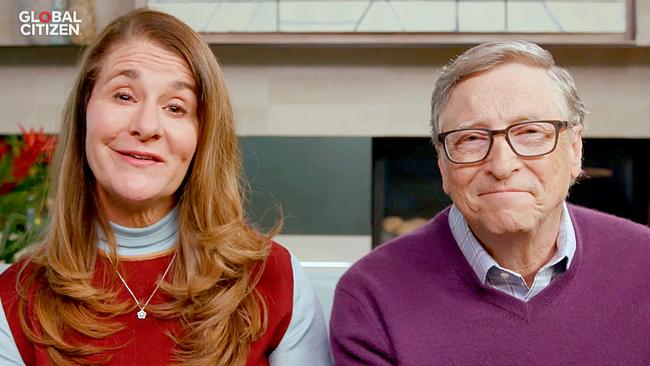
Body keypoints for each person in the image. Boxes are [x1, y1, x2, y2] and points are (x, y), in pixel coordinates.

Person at [0, 9, 331, 366]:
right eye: (124, 96)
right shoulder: (14, 299)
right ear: (84, 112)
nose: (146, 126)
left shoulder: (276, 280)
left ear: (201, 137)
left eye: (175, 107)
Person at [330, 40, 650, 365]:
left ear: (574, 150)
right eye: (471, 138)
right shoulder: (370, 296)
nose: (501, 165)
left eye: (530, 132)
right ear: (442, 163)